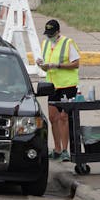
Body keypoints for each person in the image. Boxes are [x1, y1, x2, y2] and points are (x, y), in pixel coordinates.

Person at [39, 19, 80, 160]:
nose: (49, 37)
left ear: (58, 32)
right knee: (52, 118)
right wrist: (42, 65)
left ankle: (64, 150)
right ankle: (56, 149)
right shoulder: (45, 44)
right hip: (52, 86)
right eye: (47, 34)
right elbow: (44, 64)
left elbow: (76, 64)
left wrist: (58, 66)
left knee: (63, 118)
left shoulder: (68, 43)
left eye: (51, 34)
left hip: (67, 85)